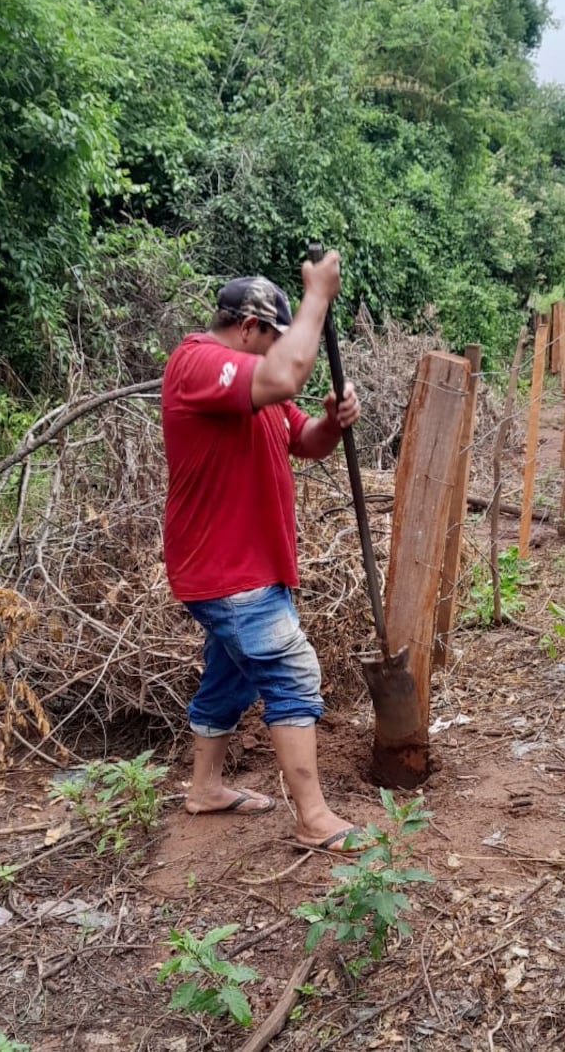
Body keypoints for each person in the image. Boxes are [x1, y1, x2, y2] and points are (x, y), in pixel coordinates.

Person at [161, 250, 364, 852]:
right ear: (249, 328)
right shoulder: (197, 362)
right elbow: (284, 374)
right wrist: (317, 294)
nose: (282, 353)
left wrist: (332, 421)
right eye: (274, 340)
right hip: (225, 567)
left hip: (251, 566)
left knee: (230, 677)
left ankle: (205, 789)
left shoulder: (259, 389)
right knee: (292, 673)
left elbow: (303, 439)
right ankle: (313, 818)